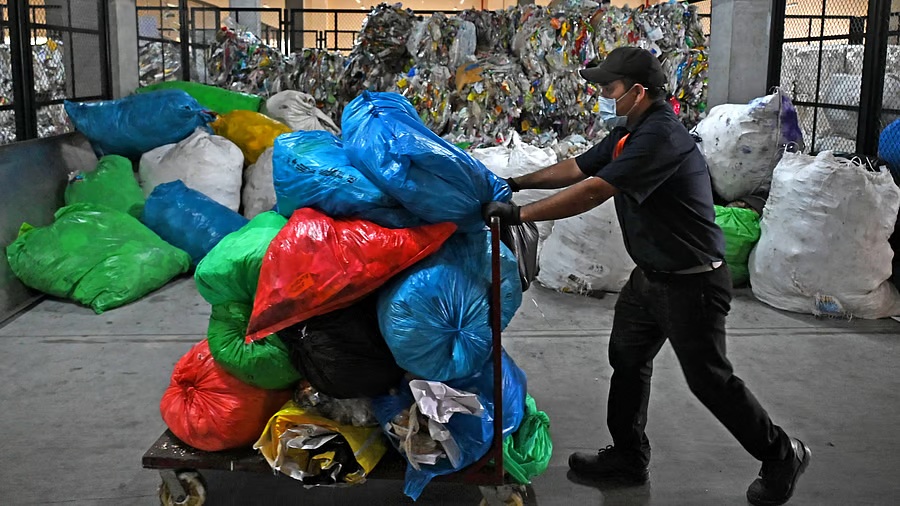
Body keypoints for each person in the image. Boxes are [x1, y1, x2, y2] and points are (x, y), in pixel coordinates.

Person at [482, 47, 810, 506]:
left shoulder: (660, 137)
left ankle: (781, 454)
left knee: (709, 380)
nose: (602, 94)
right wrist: (515, 184)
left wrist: (519, 214)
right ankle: (628, 455)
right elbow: (578, 167)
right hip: (651, 276)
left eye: (609, 87)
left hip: (692, 281)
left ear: (637, 91)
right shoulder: (628, 132)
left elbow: (594, 190)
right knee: (627, 359)